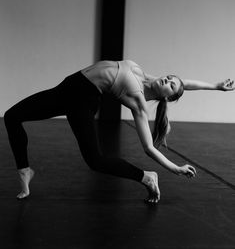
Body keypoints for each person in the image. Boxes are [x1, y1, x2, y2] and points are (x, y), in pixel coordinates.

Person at [4, 60, 235, 203]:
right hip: (67, 89)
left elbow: (148, 147)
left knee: (95, 160)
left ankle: (146, 177)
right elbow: (184, 82)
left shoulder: (138, 101)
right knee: (13, 116)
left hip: (83, 100)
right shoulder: (146, 77)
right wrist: (215, 86)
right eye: (169, 77)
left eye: (171, 84)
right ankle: (24, 170)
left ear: (167, 96)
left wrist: (175, 168)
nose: (168, 79)